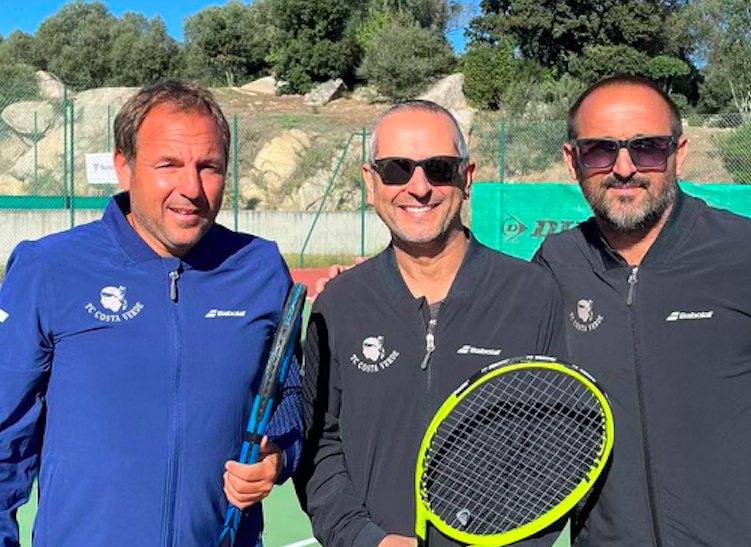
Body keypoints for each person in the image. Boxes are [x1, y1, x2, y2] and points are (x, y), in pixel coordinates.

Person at [0, 80, 302, 547]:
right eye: (168, 165)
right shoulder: (48, 267)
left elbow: (291, 393)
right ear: (123, 166)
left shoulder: (260, 269)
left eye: (209, 167)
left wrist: (279, 455)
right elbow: (5, 436)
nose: (191, 188)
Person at [295, 100, 568, 547]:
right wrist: (365, 539)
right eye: (396, 169)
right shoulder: (338, 304)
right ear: (370, 182)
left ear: (467, 177)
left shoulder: (533, 295)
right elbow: (318, 444)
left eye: (439, 168)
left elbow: (558, 447)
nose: (419, 188)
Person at [533, 74, 751, 546]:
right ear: (572, 160)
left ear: (678, 152)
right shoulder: (553, 264)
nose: (624, 168)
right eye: (599, 150)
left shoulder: (742, 251)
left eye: (647, 148)